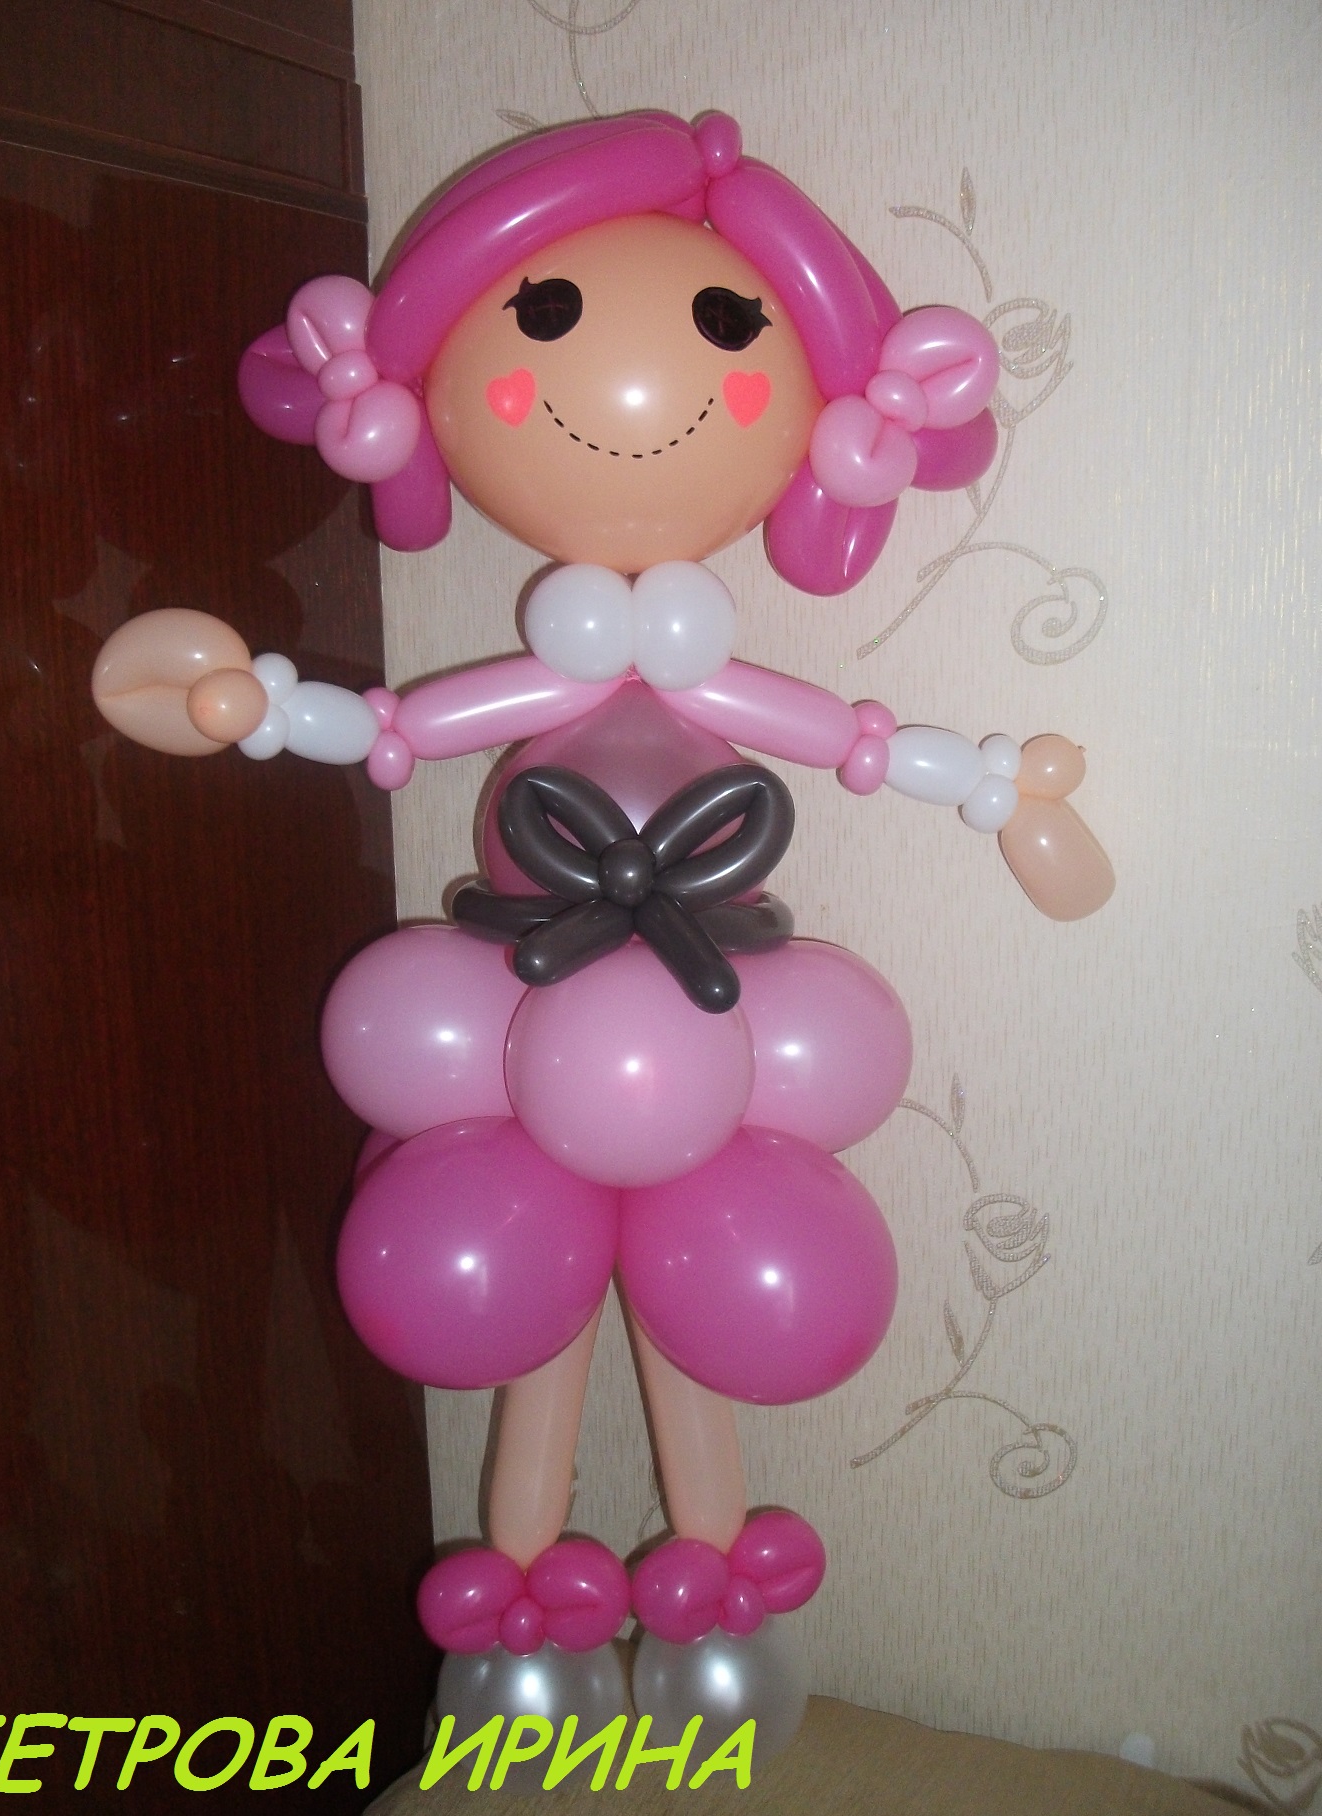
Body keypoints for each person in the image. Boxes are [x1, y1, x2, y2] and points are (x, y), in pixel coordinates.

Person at [94, 110, 1111, 1749]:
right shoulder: (563, 658)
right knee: (537, 1301)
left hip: (714, 1042)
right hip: (515, 1025)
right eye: (544, 318)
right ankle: (521, 1613)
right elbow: (400, 730)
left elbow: (848, 738)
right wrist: (256, 707)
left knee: (696, 1277)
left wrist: (995, 787)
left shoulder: (693, 660)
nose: (632, 385)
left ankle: (711, 1592)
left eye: (727, 328)